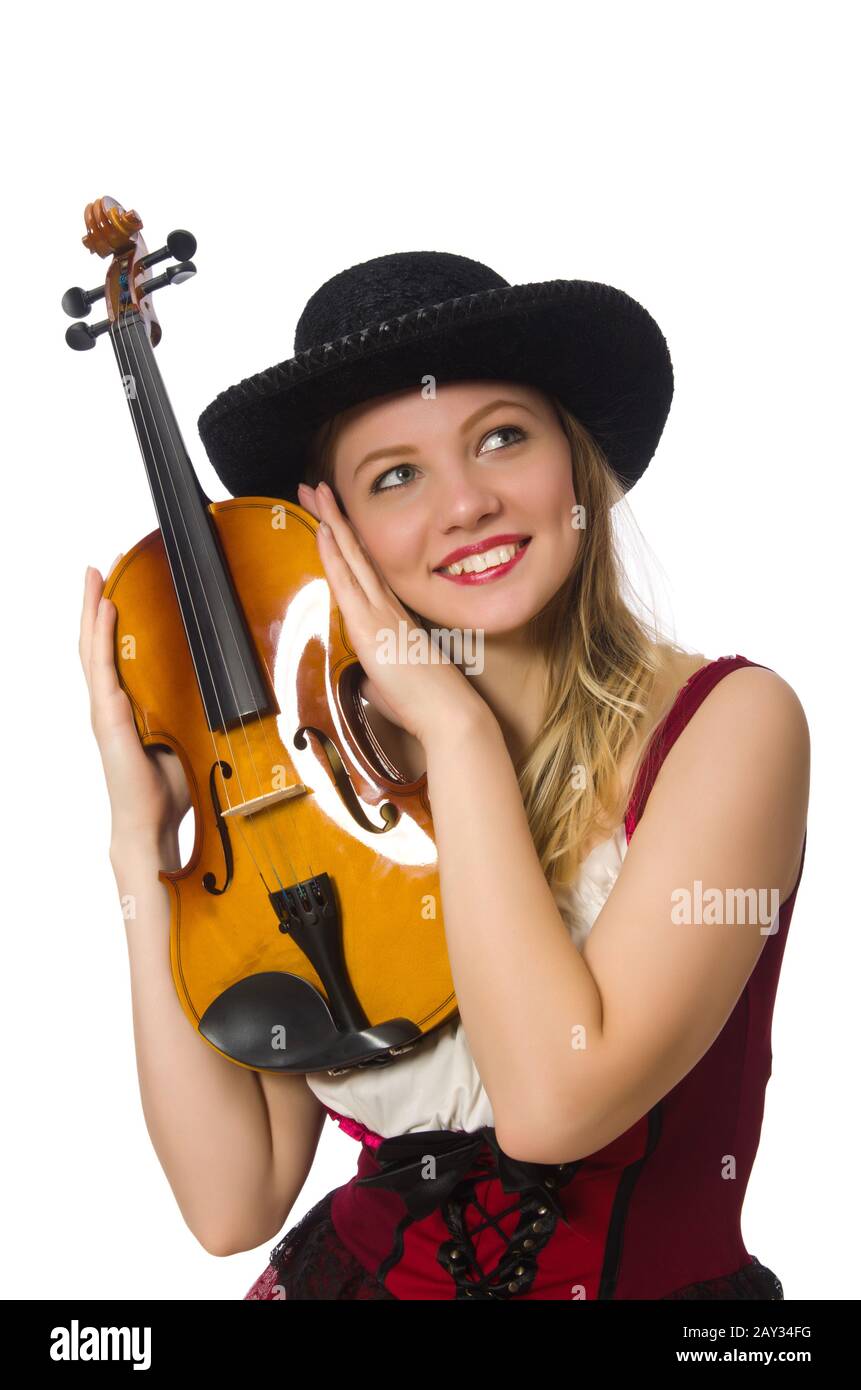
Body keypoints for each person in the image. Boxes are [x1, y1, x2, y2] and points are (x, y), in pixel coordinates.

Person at [81, 251, 809, 1299]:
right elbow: (232, 1199)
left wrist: (458, 734)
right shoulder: (324, 786)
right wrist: (143, 854)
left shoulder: (732, 725)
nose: (464, 503)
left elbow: (554, 1106)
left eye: (502, 437)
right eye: (396, 476)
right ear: (327, 529)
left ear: (574, 459)